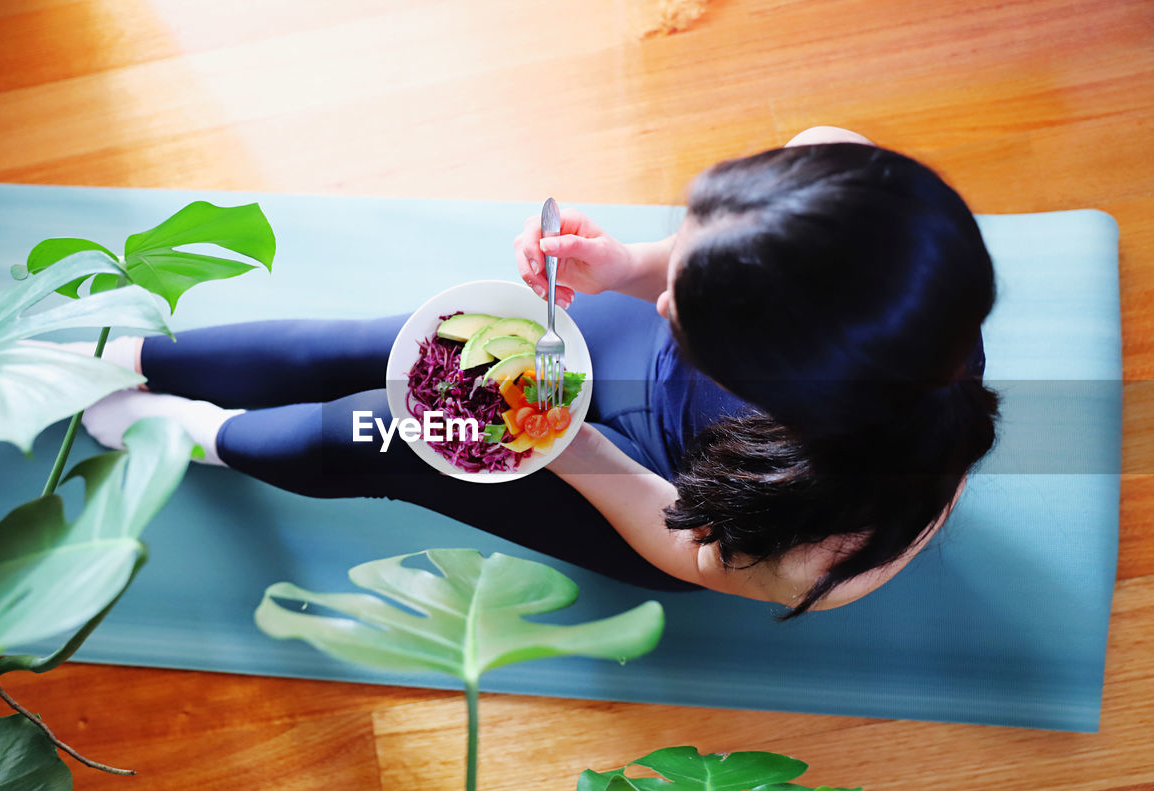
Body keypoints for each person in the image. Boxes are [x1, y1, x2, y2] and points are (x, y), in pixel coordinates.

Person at [80, 126, 998, 617]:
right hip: (674, 391)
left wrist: (559, 439)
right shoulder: (848, 194)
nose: (665, 296)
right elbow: (703, 255)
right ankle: (130, 357)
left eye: (685, 306)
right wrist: (632, 268)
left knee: (376, 434)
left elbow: (680, 542)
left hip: (662, 490)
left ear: (778, 383)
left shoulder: (817, 551)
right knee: (389, 340)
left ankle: (190, 434)